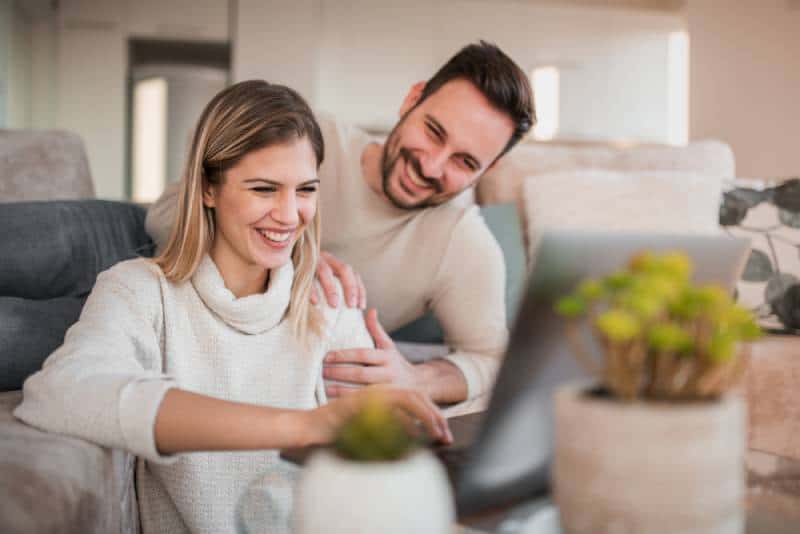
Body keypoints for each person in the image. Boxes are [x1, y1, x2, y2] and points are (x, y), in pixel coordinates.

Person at [14, 81, 450, 534]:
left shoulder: (329, 305)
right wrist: (303, 427)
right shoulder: (141, 292)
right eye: (264, 189)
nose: (289, 214)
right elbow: (63, 393)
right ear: (207, 189)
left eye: (305, 190)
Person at [147, 41, 535, 406]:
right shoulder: (310, 138)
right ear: (412, 99)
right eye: (433, 132)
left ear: (490, 168)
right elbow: (162, 216)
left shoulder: (463, 243)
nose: (431, 166)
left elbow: (492, 359)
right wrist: (289, 257)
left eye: (464, 162)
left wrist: (419, 380)